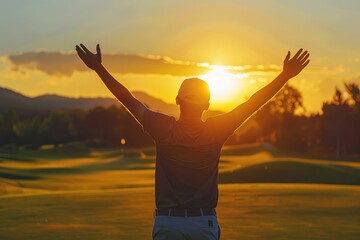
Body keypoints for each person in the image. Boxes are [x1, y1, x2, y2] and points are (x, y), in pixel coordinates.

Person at [76, 43, 310, 239]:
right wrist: (284, 76)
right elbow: (254, 103)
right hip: (203, 224)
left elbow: (127, 98)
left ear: (177, 100)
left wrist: (99, 68)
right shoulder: (217, 129)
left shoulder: (163, 127)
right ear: (207, 105)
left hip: (168, 224)